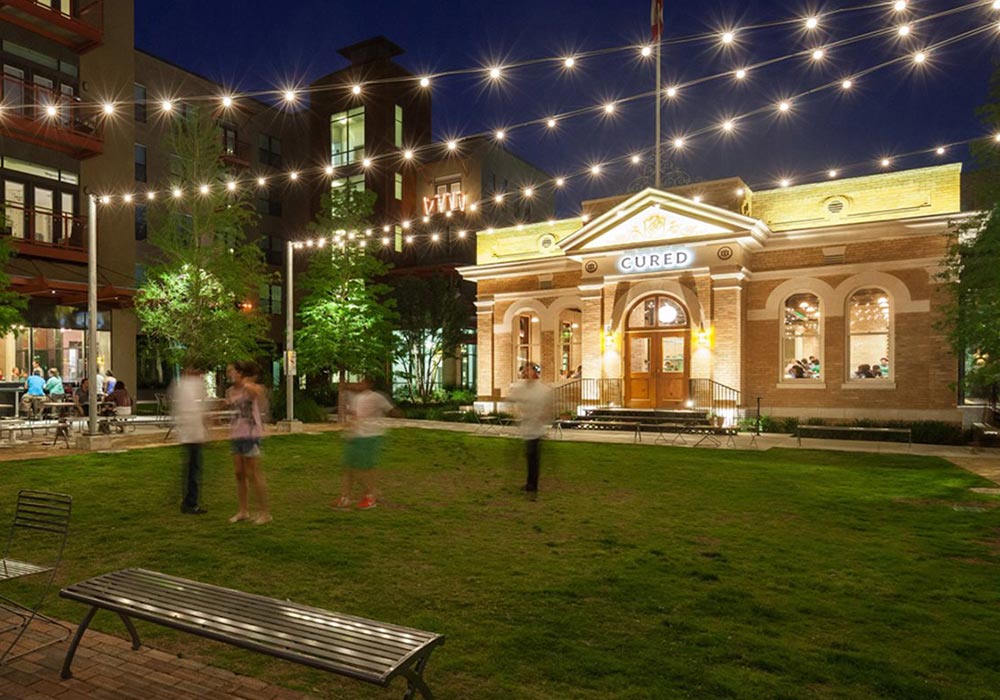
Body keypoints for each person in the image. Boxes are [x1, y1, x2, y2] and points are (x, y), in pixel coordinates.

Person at [333, 378, 395, 511]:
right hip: (357, 435)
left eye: (362, 382)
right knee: (349, 467)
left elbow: (391, 410)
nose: (359, 384)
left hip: (370, 435)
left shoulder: (377, 397)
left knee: (363, 469)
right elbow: (355, 415)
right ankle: (346, 497)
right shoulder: (357, 398)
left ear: (369, 384)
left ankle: (370, 495)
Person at [226, 361, 271, 525]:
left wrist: (246, 382)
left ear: (239, 372)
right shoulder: (230, 391)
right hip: (236, 435)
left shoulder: (249, 387)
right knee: (239, 474)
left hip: (251, 435)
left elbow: (259, 393)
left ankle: (265, 513)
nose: (228, 374)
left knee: (253, 474)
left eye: (231, 371)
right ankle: (243, 511)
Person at [508, 364, 552, 499]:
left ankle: (532, 485)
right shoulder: (522, 388)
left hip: (535, 428)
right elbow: (514, 400)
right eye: (524, 371)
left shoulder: (542, 390)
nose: (526, 373)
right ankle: (530, 483)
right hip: (527, 427)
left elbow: (548, 407)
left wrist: (542, 417)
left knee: (532, 456)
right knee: (530, 456)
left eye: (528, 371)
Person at [171, 367, 208, 515]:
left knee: (191, 468)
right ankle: (190, 502)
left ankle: (189, 501)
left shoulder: (182, 385)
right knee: (193, 469)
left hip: (189, 433)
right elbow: (197, 409)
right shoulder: (191, 385)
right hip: (192, 433)